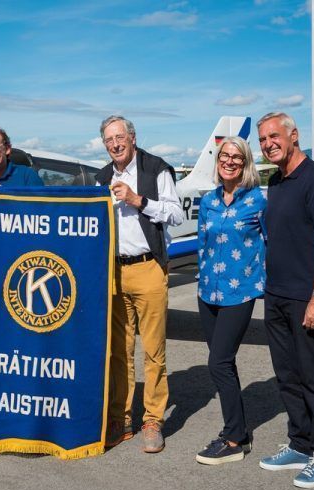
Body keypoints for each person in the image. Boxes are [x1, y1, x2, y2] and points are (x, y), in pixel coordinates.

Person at [256, 112, 314, 488]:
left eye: (274, 136)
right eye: (262, 139)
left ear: (293, 135)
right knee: (287, 376)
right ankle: (300, 443)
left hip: (306, 297)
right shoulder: (275, 181)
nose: (268, 143)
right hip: (275, 295)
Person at [96, 115, 183, 453]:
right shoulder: (103, 177)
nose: (115, 144)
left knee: (154, 350)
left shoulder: (156, 169)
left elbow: (176, 215)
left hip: (148, 268)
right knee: (118, 351)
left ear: (132, 137)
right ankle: (121, 419)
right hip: (114, 272)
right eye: (108, 140)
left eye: (119, 137)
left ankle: (153, 419)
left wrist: (138, 200)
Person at [194, 136, 266, 465]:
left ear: (246, 163)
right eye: (225, 155)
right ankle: (239, 431)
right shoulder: (208, 201)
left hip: (240, 292)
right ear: (218, 159)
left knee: (218, 362)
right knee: (225, 362)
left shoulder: (258, 201)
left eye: (237, 157)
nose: (230, 161)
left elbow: (274, 242)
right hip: (208, 292)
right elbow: (203, 244)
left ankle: (234, 438)